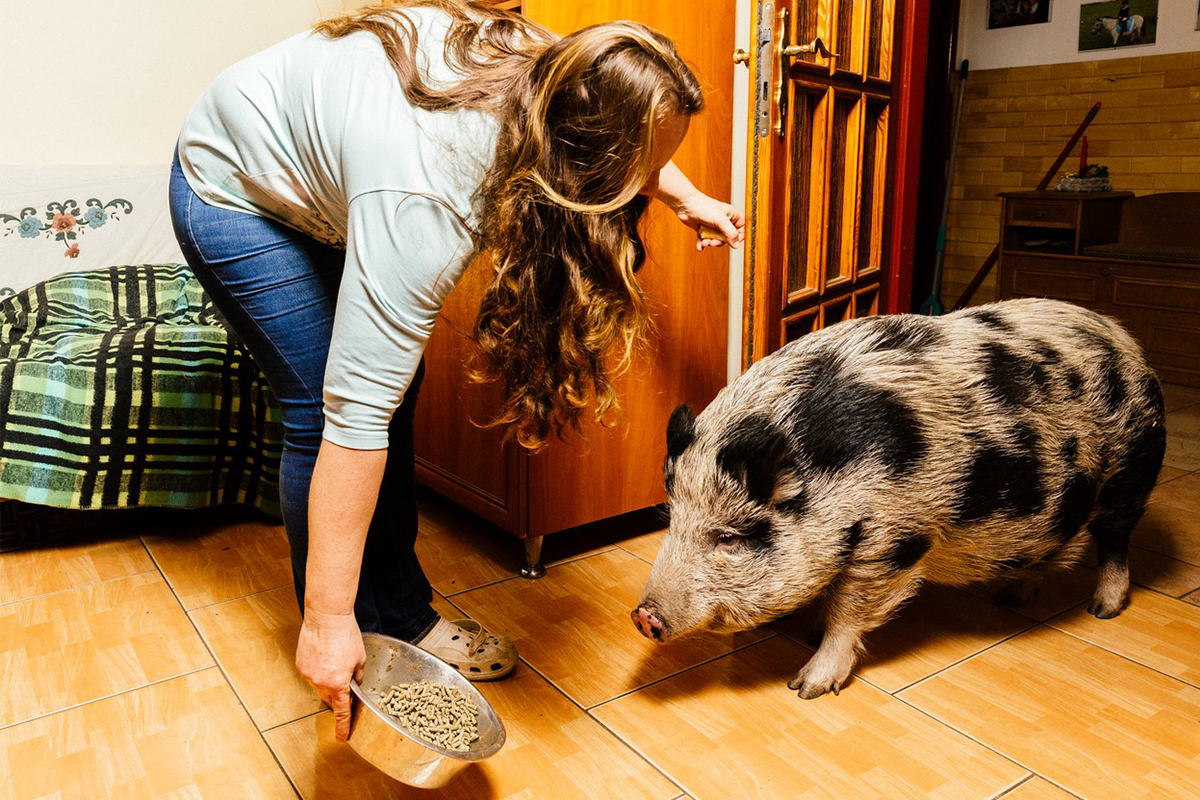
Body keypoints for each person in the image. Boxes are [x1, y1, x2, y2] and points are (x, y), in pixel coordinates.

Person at [169, 0, 744, 743]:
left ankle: (404, 614)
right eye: (643, 171)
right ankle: (354, 640)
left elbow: (630, 133)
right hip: (236, 187)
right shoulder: (428, 198)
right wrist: (325, 620)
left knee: (392, 388)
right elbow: (354, 420)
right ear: (581, 157)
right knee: (330, 408)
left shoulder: (570, 71)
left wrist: (687, 196)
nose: (647, 184)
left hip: (337, 184)